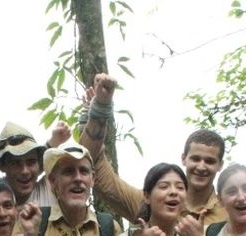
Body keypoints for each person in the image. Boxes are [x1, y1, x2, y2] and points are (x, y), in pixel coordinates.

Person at [78, 73, 227, 225]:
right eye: (195, 158)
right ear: (184, 158)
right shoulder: (150, 205)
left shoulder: (230, 212)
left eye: (209, 161)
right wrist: (100, 111)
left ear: (220, 165)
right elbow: (92, 164)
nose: (201, 166)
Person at [0, 121, 56, 208]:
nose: (25, 171)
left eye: (31, 162)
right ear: (2, 166)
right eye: (15, 163)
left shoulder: (50, 188)